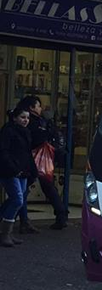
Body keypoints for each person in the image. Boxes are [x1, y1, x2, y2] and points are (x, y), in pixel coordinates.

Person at [17, 96, 68, 231]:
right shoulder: (41, 122)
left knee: (22, 190)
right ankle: (61, 215)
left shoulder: (30, 122)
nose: (40, 109)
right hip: (43, 159)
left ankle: (22, 219)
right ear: (32, 107)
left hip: (32, 158)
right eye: (38, 106)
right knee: (47, 187)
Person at [0, 107, 37, 247]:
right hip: (10, 171)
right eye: (22, 117)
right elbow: (3, 152)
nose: (26, 120)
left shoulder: (26, 132)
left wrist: (32, 171)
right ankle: (5, 234)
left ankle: (8, 233)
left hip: (22, 171)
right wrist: (13, 168)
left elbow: (27, 154)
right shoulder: (8, 131)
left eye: (27, 118)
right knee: (17, 199)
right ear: (14, 118)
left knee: (17, 199)